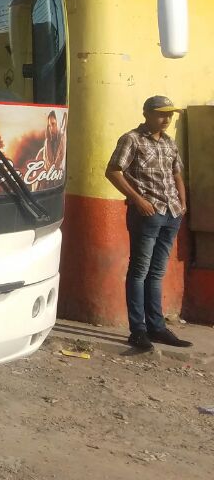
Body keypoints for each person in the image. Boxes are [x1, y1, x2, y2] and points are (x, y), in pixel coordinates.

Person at [105, 95, 192, 350]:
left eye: (170, 114)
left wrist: (182, 203)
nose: (167, 119)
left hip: (171, 212)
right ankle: (138, 330)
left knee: (156, 272)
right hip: (147, 213)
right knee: (139, 271)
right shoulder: (131, 139)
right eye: (161, 114)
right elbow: (113, 171)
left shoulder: (169, 142)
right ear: (147, 114)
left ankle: (157, 327)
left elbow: (176, 173)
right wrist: (138, 200)